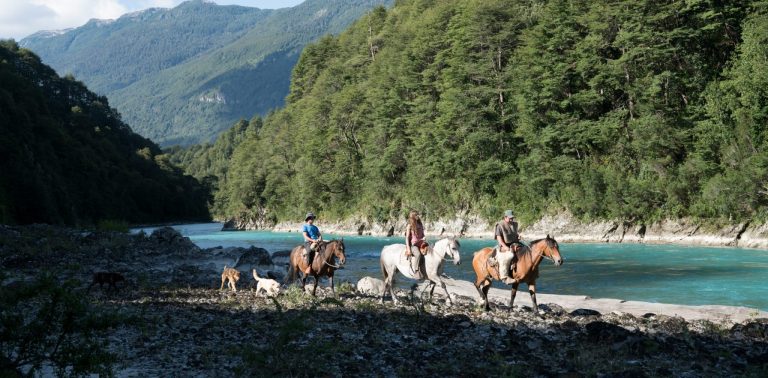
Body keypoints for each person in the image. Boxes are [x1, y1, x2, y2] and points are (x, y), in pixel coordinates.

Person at [495, 209, 522, 284]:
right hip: (504, 245)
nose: (511, 219)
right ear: (505, 217)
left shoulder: (514, 224)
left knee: (525, 250)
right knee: (509, 256)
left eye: (512, 218)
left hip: (515, 243)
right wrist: (505, 247)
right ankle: (504, 277)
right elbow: (499, 238)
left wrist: (518, 237)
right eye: (510, 218)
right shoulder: (500, 225)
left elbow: (515, 234)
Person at [405, 210, 429, 279]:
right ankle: (416, 271)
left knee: (431, 250)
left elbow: (423, 234)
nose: (418, 216)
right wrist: (409, 249)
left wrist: (424, 238)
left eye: (418, 215)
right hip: (414, 245)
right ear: (412, 216)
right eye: (416, 215)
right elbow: (407, 238)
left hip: (421, 242)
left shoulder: (420, 224)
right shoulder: (409, 225)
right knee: (418, 254)